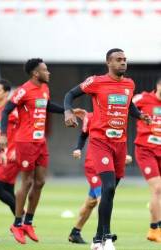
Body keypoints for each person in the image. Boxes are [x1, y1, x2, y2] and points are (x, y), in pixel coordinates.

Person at [64, 48, 151, 250]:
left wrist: (140, 116)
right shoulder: (95, 82)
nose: (123, 63)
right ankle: (107, 239)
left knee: (109, 192)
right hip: (100, 141)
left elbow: (129, 106)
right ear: (108, 63)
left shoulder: (129, 84)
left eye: (125, 60)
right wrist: (68, 111)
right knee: (108, 187)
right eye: (118, 60)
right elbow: (70, 94)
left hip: (120, 144)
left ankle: (97, 239)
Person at [0, 58, 83, 244]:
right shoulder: (23, 90)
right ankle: (17, 224)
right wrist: (3, 134)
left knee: (40, 182)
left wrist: (68, 111)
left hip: (40, 142)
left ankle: (28, 222)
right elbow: (6, 111)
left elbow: (46, 106)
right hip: (25, 142)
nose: (49, 72)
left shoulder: (44, 89)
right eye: (45, 70)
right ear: (36, 73)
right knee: (27, 181)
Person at [68, 112, 132, 245]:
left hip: (108, 165)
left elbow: (118, 140)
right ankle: (104, 233)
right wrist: (78, 149)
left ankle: (75, 232)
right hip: (93, 166)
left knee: (91, 202)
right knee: (103, 197)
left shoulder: (116, 117)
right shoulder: (91, 117)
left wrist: (123, 155)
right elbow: (83, 135)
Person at [133, 78, 161, 243]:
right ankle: (154, 229)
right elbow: (126, 108)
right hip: (146, 150)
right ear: (157, 86)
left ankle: (154, 211)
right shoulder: (142, 98)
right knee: (157, 188)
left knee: (157, 194)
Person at [0, 79, 19, 215]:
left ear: (6, 93)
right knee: (7, 190)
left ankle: (22, 215)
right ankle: (20, 223)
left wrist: (17, 149)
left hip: (12, 155)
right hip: (0, 156)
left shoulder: (13, 110)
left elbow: (24, 128)